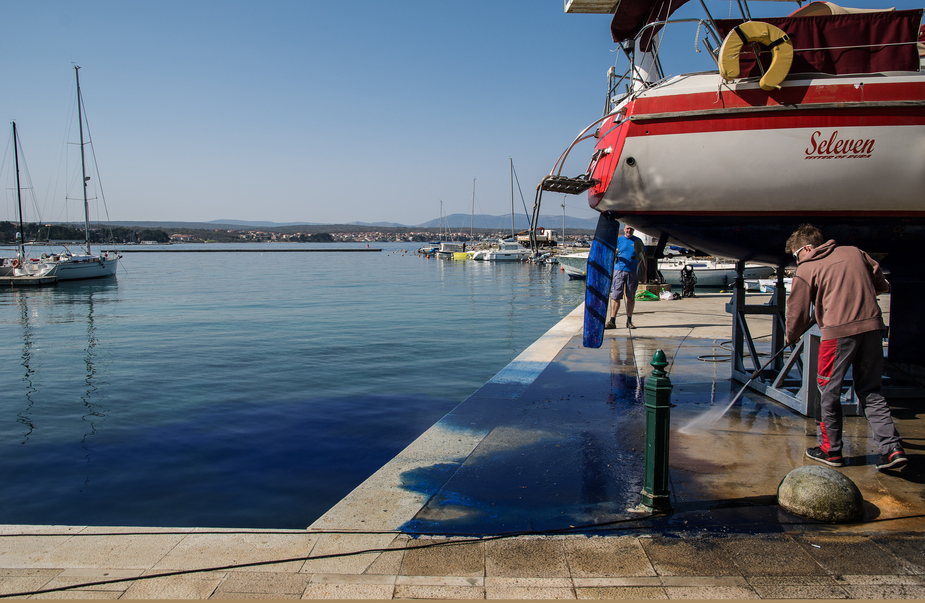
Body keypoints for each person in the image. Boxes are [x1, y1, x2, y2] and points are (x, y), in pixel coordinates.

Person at [785, 224, 906, 471]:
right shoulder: (855, 252)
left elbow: (796, 311)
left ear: (807, 248)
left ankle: (831, 452)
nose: (797, 262)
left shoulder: (808, 267)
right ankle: (892, 449)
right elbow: (881, 284)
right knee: (871, 390)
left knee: (828, 392)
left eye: (796, 255)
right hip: (873, 330)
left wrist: (790, 337)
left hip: (837, 335)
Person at [605, 224, 647, 330]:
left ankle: (629, 321)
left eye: (631, 229)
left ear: (633, 230)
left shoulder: (638, 241)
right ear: (624, 229)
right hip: (619, 271)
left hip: (633, 272)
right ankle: (612, 321)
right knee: (616, 296)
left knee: (631, 297)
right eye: (627, 228)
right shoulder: (618, 240)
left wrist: (644, 273)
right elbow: (611, 256)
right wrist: (615, 253)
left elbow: (643, 258)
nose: (629, 230)